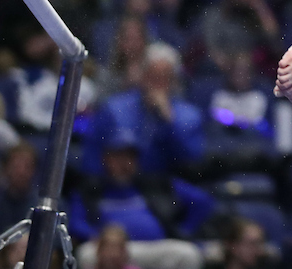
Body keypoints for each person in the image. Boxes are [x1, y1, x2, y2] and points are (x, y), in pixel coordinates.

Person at [70, 132, 212, 269]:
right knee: (87, 254)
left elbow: (202, 201)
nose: (124, 163)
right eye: (118, 157)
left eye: (129, 157)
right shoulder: (90, 189)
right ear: (105, 159)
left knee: (188, 254)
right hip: (110, 248)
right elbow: (76, 223)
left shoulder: (157, 184)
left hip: (154, 248)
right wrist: (95, 235)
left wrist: (184, 230)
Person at [86, 43, 205, 176]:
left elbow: (192, 164)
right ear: (142, 76)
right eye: (152, 76)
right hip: (118, 183)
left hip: (167, 184)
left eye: (164, 77)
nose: (157, 84)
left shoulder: (189, 117)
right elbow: (92, 154)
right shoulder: (114, 109)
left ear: (173, 81)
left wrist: (169, 122)